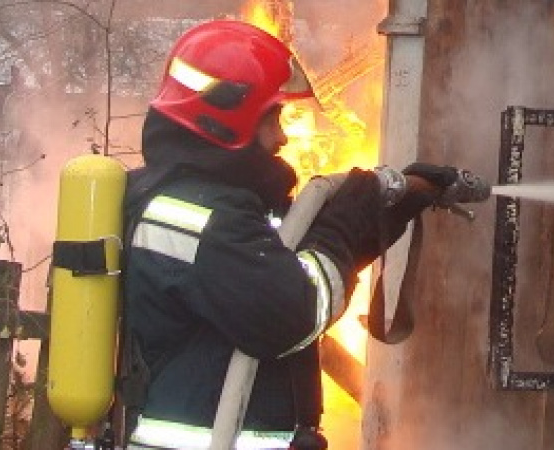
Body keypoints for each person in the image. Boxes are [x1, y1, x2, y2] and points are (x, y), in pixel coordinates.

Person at [120, 19, 458, 450]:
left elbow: (296, 263)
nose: (282, 137)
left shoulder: (214, 205)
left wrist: (387, 210)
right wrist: (348, 217)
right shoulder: (203, 217)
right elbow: (294, 310)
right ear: (228, 119)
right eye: (273, 118)